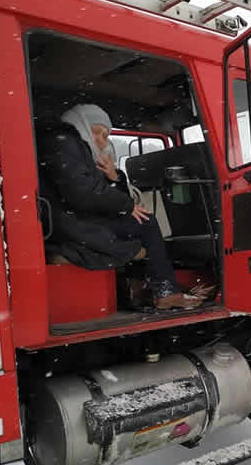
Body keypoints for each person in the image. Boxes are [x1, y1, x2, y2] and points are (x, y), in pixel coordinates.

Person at [37, 103, 202, 310]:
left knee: (141, 223)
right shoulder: (63, 142)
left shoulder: (73, 147)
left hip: (75, 218)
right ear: (81, 124)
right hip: (71, 223)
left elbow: (96, 193)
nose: (101, 141)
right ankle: (164, 291)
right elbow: (82, 193)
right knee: (145, 223)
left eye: (106, 136)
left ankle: (145, 288)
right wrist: (127, 205)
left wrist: (114, 177)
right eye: (96, 132)